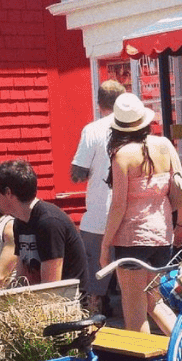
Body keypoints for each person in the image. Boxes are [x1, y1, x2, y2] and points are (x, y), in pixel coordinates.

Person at [100, 93, 182, 335]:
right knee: (154, 301)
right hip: (162, 236)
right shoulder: (165, 145)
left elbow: (118, 206)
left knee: (134, 311)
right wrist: (181, 225)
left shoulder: (121, 155)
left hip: (132, 240)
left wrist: (105, 245)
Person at [70, 79, 126, 315]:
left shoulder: (92, 130)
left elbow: (77, 174)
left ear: (99, 103)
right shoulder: (136, 128)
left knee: (94, 274)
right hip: (131, 213)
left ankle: (97, 315)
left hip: (99, 213)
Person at [0, 159, 88, 288]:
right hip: (41, 295)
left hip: (68, 298)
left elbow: (51, 287)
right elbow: (22, 277)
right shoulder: (19, 222)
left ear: (8, 192)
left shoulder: (49, 223)